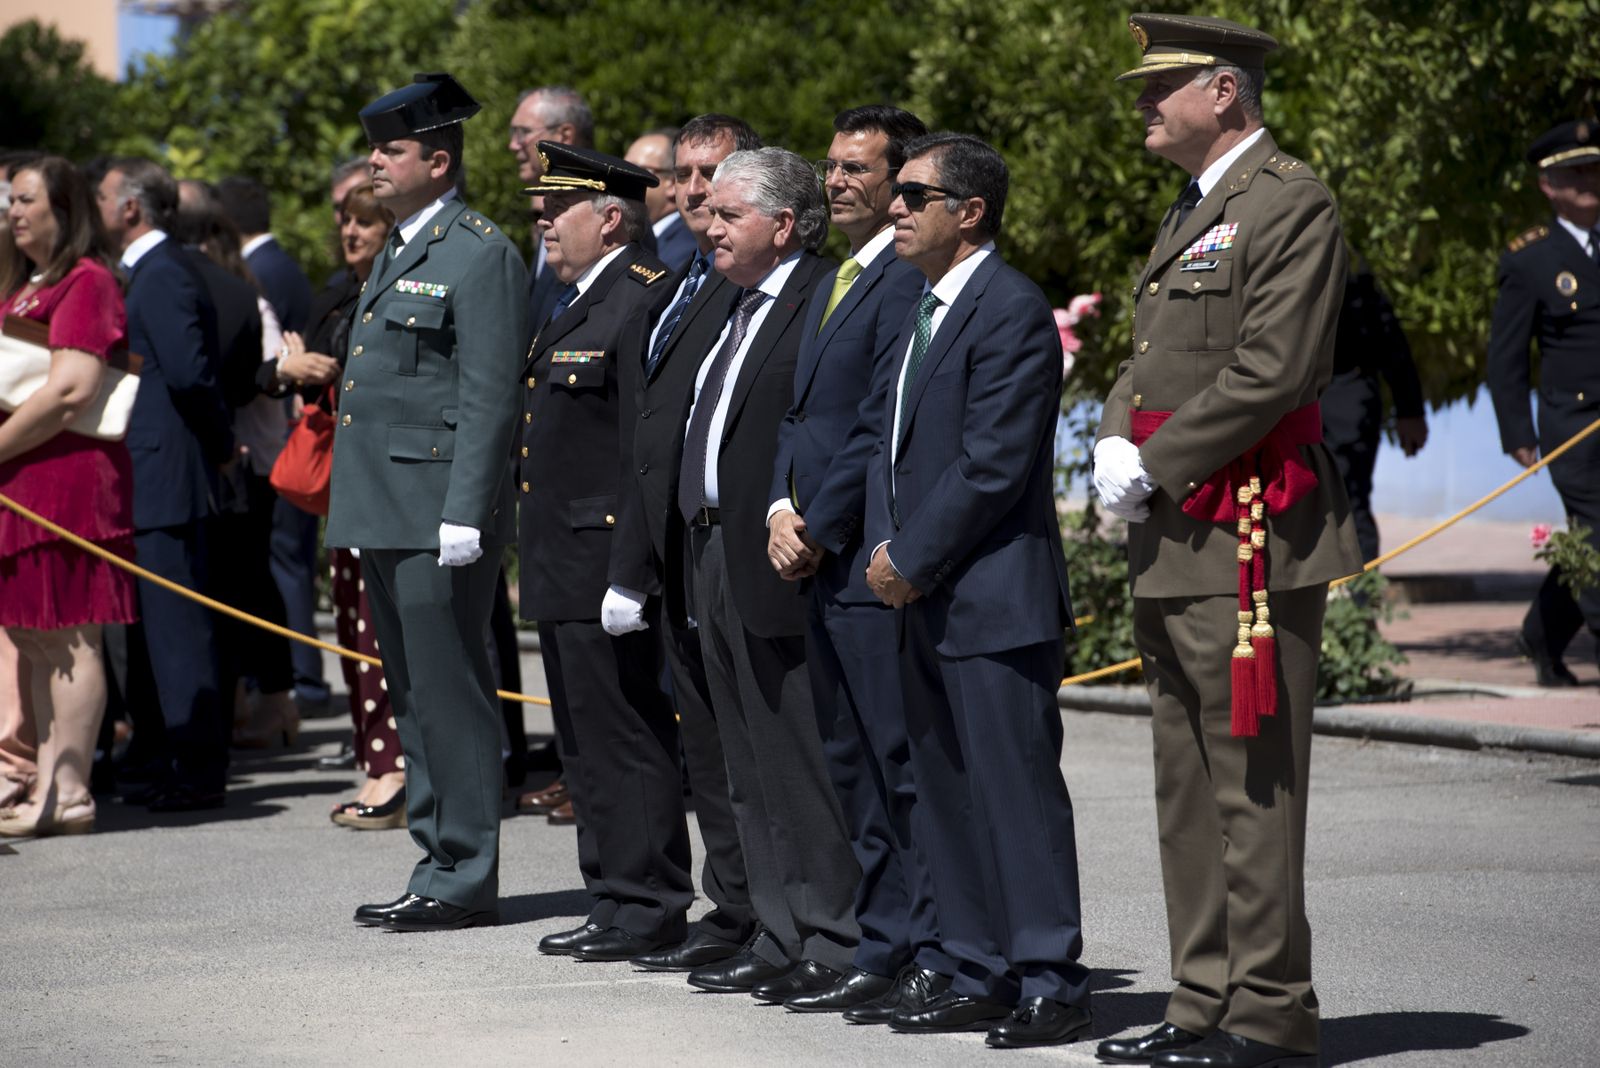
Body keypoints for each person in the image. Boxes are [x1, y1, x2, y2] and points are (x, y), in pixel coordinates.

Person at [1093, 14, 1361, 1067]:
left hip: (1248, 522)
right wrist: (1114, 439)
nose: (1141, 105)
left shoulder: (1287, 199)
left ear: (1222, 90)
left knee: (1251, 784)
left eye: (1159, 88)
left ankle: (1268, 1014)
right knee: (1185, 785)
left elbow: (1274, 368)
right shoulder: (1196, 207)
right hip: (1177, 529)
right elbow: (1150, 352)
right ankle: (1200, 1000)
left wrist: (1154, 460)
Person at [859, 132, 1091, 1049]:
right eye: (899, 195)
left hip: (990, 594)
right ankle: (971, 964)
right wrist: (888, 548)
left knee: (1013, 793)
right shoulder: (921, 306)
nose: (896, 208)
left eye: (916, 196)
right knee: (941, 788)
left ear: (972, 211)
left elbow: (992, 464)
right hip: (919, 588)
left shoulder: (1010, 308)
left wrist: (908, 558)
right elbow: (892, 446)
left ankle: (1051, 978)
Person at [663, 146, 860, 998]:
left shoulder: (819, 298)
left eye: (728, 214)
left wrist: (801, 516)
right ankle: (777, 932)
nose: (708, 225)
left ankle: (832, 937)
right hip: (707, 549)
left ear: (783, 225)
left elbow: (828, 425)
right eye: (709, 212)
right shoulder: (728, 303)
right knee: (742, 758)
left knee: (794, 759)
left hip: (776, 552)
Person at [332, 73, 527, 932]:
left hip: (436, 506)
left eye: (394, 150)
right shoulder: (402, 245)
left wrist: (466, 510)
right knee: (411, 693)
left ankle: (464, 871)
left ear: (438, 162)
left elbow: (490, 394)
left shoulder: (478, 250)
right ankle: (436, 859)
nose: (376, 160)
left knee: (450, 692)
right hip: (384, 502)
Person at [762, 104, 941, 1016]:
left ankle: (925, 945)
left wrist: (819, 523)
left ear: (905, 182)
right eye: (830, 167)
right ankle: (880, 940)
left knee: (895, 763)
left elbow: (875, 423)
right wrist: (781, 507)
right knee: (851, 763)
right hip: (819, 550)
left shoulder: (907, 282)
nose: (835, 182)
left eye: (857, 170)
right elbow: (804, 420)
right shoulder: (839, 277)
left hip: (867, 553)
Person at [511, 142, 693, 961]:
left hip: (605, 559)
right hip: (559, 557)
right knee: (582, 741)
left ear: (610, 218)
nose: (542, 221)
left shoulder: (640, 298)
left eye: (558, 210)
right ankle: (610, 895)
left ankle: (648, 900)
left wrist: (634, 569)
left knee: (626, 734)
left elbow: (640, 452)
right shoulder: (577, 299)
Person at [607, 113, 760, 973]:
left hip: (738, 552)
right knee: (704, 745)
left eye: (714, 173)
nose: (695, 189)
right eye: (686, 174)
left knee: (748, 751)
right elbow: (649, 438)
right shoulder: (677, 284)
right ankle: (731, 904)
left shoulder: (755, 287)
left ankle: (752, 914)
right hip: (674, 554)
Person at [262, 182, 406, 828]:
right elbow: (278, 372)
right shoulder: (336, 290)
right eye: (344, 221)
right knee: (351, 624)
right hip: (342, 480)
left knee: (381, 629)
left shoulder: (400, 286)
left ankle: (394, 769)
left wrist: (324, 372)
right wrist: (292, 370)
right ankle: (375, 759)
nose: (350, 232)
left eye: (365, 222)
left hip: (385, 480)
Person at [0, 155, 136, 837]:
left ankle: (71, 787)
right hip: (22, 478)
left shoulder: (87, 280)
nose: (13, 211)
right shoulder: (27, 285)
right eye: (11, 200)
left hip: (67, 479)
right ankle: (49, 779)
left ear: (63, 207)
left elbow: (72, 388)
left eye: (25, 199)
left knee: (71, 637)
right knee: (33, 635)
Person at [97, 156, 234, 813]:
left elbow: (188, 376)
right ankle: (164, 754)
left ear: (130, 208)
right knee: (156, 632)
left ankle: (197, 764)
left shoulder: (160, 274)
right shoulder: (149, 271)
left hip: (167, 473)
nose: (93, 207)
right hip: (148, 472)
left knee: (178, 632)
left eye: (100, 196)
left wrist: (220, 445)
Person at [172, 179, 301, 752]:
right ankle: (251, 700)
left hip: (252, 463)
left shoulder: (250, 300)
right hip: (238, 459)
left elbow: (272, 376)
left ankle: (276, 701)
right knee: (239, 587)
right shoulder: (240, 294)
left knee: (250, 585)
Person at [1486, 119, 1600, 688]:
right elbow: (1506, 355)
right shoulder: (1530, 259)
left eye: (1592, 169)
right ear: (1547, 185)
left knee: (1588, 539)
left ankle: (1543, 632)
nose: (1587, 180)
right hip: (1572, 423)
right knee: (1598, 530)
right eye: (1572, 172)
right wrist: (1517, 433)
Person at [216, 175, 330, 716]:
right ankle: (289, 685)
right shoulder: (276, 266)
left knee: (277, 569)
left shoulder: (258, 275)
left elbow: (274, 365)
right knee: (280, 567)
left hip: (272, 447)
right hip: (273, 446)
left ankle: (296, 685)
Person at [1321, 258, 1428, 564]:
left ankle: (1359, 604)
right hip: (1297, 409)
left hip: (1348, 410)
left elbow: (1394, 348)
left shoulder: (1357, 282)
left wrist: (1410, 412)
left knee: (1350, 503)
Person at [510, 86, 595, 333]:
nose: (513, 145)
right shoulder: (553, 211)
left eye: (522, 133)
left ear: (565, 135)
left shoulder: (598, 210)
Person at [625, 127, 696, 271]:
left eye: (634, 170)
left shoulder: (685, 247)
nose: (623, 177)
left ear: (671, 182)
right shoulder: (637, 236)